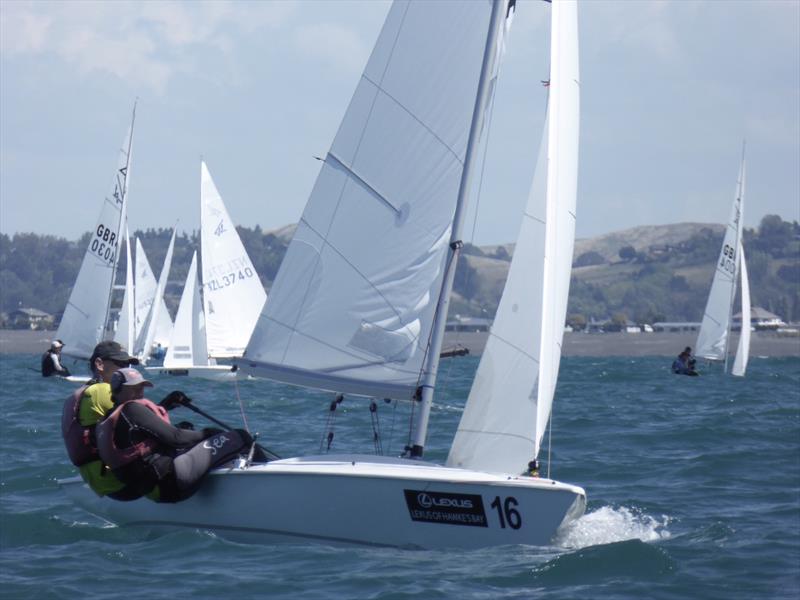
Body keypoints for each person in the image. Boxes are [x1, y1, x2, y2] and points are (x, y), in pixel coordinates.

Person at [96, 368, 254, 503]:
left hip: (153, 489)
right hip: (171, 482)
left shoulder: (108, 418)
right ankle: (264, 474)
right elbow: (176, 438)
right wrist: (209, 433)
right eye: (133, 388)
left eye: (142, 387)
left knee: (195, 439)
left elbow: (144, 442)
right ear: (117, 390)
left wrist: (166, 406)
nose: (140, 392)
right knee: (240, 437)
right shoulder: (131, 409)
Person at [61, 340, 189, 500]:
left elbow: (124, 421)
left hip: (102, 483)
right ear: (99, 364)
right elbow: (146, 425)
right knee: (185, 432)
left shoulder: (77, 396)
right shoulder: (102, 390)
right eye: (120, 364)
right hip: (124, 483)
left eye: (128, 364)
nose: (127, 370)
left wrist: (164, 405)